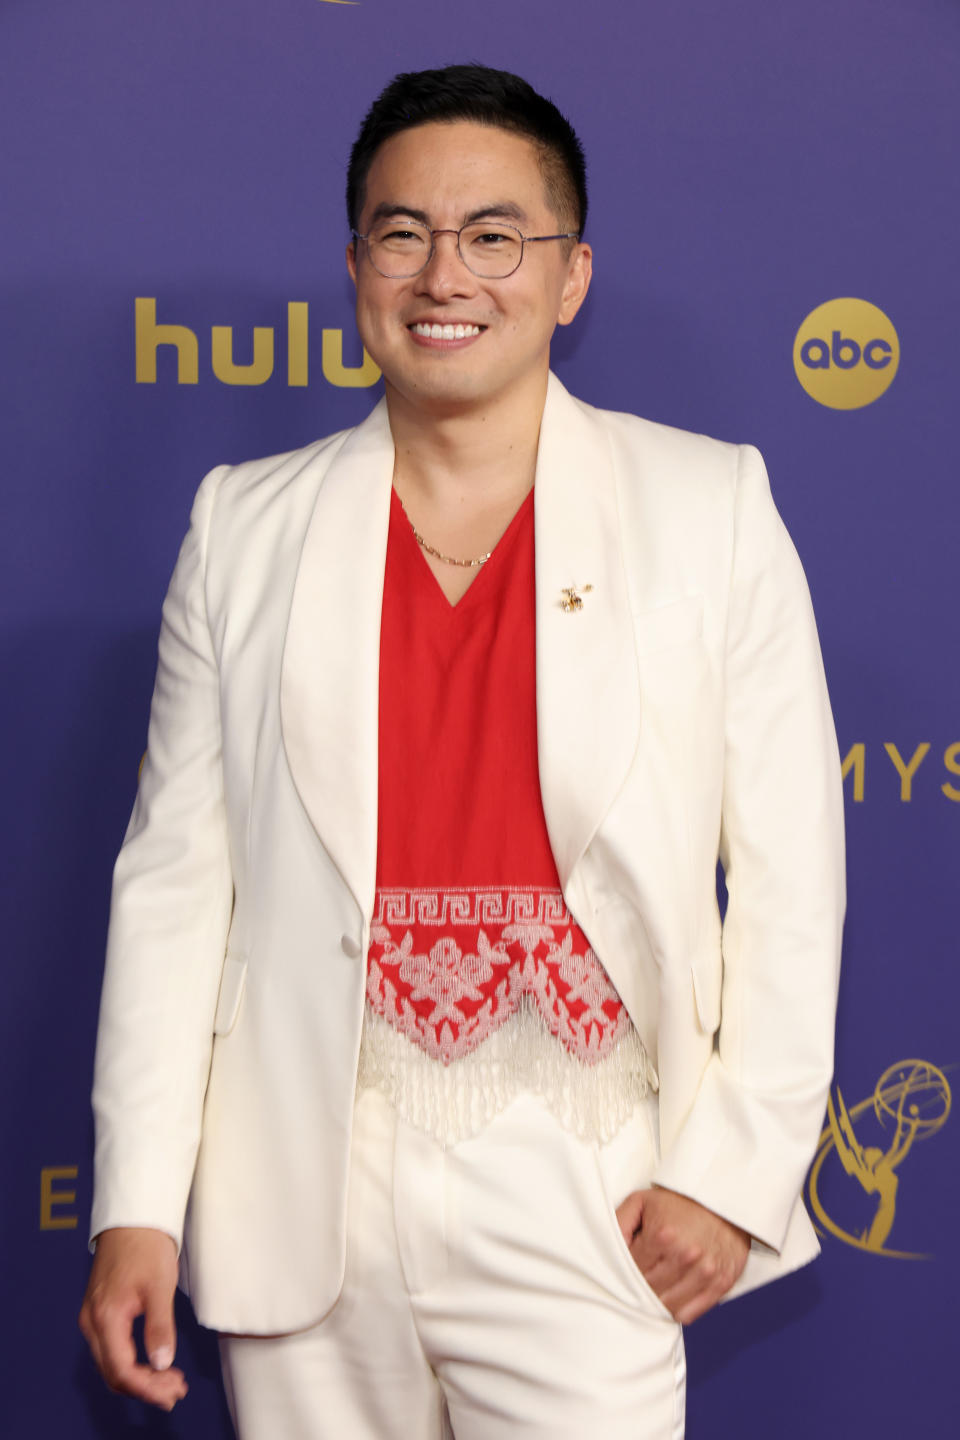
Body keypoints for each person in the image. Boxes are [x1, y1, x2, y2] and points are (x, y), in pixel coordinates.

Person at [79, 63, 845, 1440]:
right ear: (358, 265)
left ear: (570, 277)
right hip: (308, 1181)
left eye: (496, 236)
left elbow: (794, 878)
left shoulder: (710, 506)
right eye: (402, 233)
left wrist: (735, 1176)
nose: (447, 274)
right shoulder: (244, 527)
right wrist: (137, 1199)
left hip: (588, 1172)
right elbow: (175, 890)